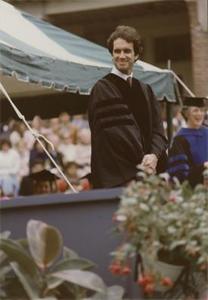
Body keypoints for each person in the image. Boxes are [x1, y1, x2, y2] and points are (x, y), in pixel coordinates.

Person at [88, 25, 168, 188]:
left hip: (150, 175)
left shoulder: (146, 90)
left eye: (127, 51)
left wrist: (153, 155)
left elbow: (158, 132)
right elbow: (113, 136)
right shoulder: (102, 89)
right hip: (121, 179)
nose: (122, 56)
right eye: (117, 51)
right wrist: (141, 166)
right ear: (111, 54)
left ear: (136, 55)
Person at [167, 97, 208, 187]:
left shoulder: (207, 133)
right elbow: (181, 175)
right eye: (195, 110)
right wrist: (203, 166)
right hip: (194, 192)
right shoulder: (180, 139)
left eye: (202, 110)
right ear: (186, 113)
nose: (200, 114)